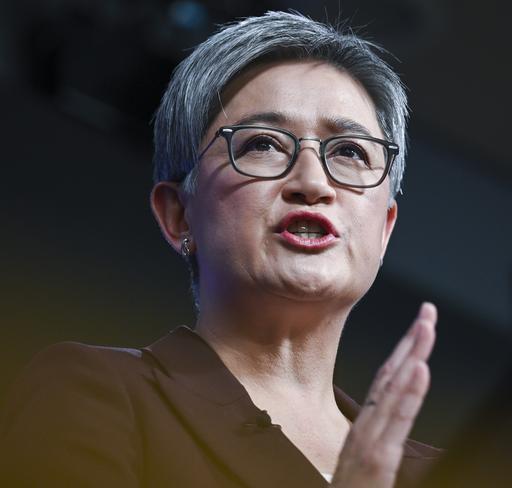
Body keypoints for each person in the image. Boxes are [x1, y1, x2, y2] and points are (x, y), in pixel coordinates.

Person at [0, 11, 441, 487]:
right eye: (263, 144)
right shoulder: (96, 392)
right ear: (178, 214)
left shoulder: (445, 474)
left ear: (385, 230)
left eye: (350, 152)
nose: (313, 183)